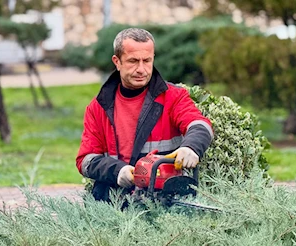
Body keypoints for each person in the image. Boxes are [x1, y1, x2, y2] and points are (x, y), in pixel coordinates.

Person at [76, 27, 213, 202]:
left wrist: (191, 147)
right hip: (111, 202)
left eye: (147, 61)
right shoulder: (98, 107)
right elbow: (86, 160)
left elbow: (200, 125)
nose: (141, 69)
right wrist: (118, 171)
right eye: (133, 61)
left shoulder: (173, 97)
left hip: (163, 202)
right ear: (117, 62)